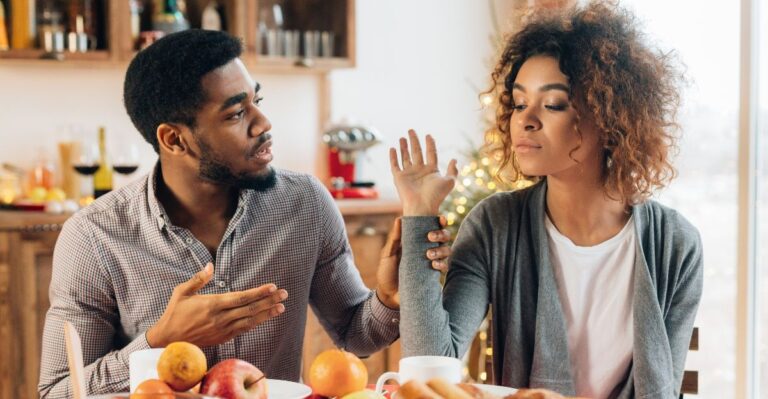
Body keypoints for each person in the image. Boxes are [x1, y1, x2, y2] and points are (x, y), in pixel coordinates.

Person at [38, 29, 452, 397]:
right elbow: (57, 391)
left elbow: (356, 335)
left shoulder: (305, 204)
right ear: (174, 139)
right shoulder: (94, 238)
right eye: (236, 113)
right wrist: (161, 341)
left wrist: (388, 299)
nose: (263, 123)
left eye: (257, 101)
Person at [390, 2, 702, 398]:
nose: (525, 119)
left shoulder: (676, 245)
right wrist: (420, 214)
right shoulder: (494, 225)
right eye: (520, 103)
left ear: (611, 118)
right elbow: (428, 373)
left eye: (552, 104)